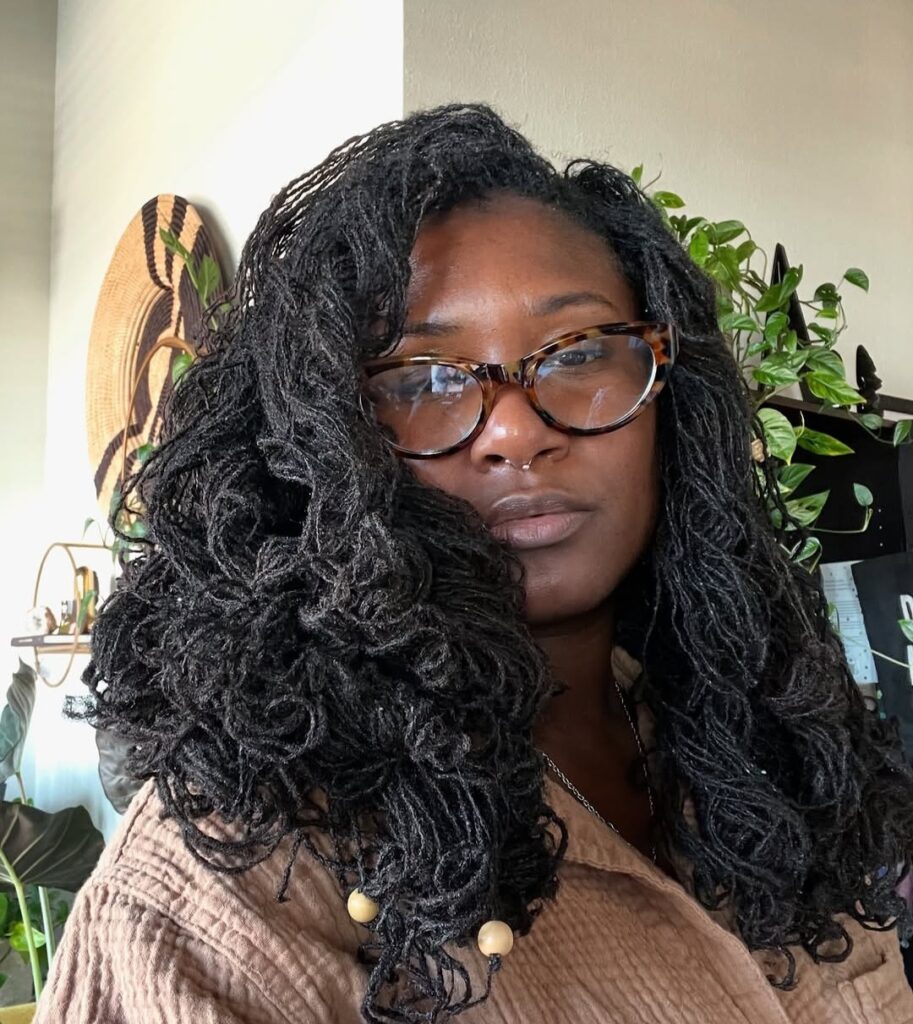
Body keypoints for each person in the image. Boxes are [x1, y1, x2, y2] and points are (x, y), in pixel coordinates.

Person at [33, 103, 913, 1024]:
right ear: (312, 445)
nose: (517, 431)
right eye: (420, 380)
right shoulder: (227, 877)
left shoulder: (771, 744)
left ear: (671, 404)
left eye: (577, 353)